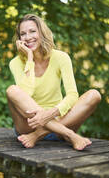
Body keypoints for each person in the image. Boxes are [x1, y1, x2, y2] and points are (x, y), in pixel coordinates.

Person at [6, 14, 101, 151]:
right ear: (19, 39)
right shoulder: (15, 63)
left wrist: (50, 114)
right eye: (23, 34)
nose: (28, 37)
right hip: (29, 126)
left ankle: (38, 135)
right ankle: (71, 135)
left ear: (41, 32)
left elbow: (72, 95)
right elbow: (25, 94)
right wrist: (30, 60)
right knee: (12, 90)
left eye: (32, 31)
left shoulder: (61, 57)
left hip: (60, 124)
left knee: (94, 95)